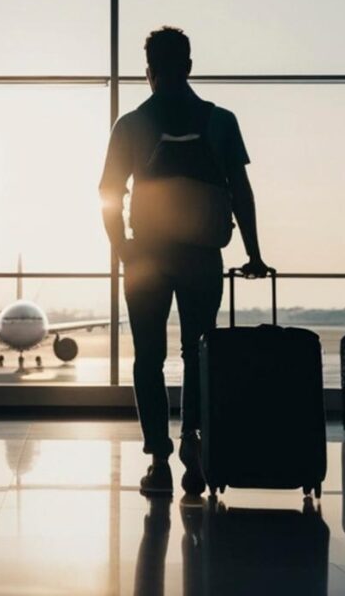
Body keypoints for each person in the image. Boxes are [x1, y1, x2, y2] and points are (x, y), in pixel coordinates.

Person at [99, 26, 269, 496]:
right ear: (190, 66)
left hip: (147, 256)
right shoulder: (220, 120)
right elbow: (241, 192)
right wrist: (253, 252)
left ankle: (158, 460)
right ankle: (193, 441)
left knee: (148, 358)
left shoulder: (131, 124)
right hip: (202, 254)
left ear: (148, 71)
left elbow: (108, 194)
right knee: (198, 353)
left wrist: (123, 249)